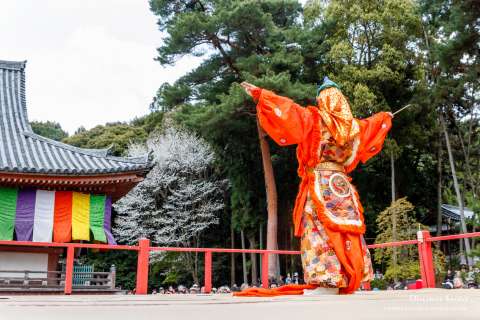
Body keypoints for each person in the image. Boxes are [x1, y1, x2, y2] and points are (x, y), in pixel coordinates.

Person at [236, 77, 392, 296]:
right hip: (342, 186)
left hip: (319, 182)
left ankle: (326, 280)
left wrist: (262, 95)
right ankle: (348, 277)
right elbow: (374, 124)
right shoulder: (355, 128)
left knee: (317, 229)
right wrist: (386, 117)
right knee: (347, 229)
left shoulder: (315, 119)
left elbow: (289, 112)